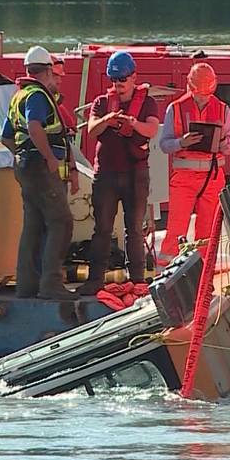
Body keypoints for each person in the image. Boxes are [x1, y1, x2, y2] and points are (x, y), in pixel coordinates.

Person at [76, 51, 160, 296]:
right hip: (107, 175)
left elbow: (152, 129)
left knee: (134, 228)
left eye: (122, 79)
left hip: (136, 173)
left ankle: (137, 280)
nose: (118, 84)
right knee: (102, 228)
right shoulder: (101, 103)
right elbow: (91, 130)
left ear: (134, 77)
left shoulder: (147, 103)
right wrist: (109, 119)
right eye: (114, 80)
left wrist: (132, 123)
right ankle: (95, 280)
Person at [3, 45, 79, 300]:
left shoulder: (18, 96)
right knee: (61, 222)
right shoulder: (37, 95)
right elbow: (35, 126)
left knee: (33, 226)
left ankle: (27, 286)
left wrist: (22, 154)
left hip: (25, 167)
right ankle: (51, 284)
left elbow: (6, 138)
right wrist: (47, 157)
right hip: (40, 168)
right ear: (46, 71)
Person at [157, 62, 230, 267]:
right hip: (184, 179)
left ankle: (202, 276)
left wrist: (220, 144)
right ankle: (166, 274)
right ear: (190, 88)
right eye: (199, 94)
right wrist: (181, 142)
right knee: (176, 229)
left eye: (207, 94)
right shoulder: (175, 109)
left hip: (212, 178)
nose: (203, 98)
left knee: (208, 232)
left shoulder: (222, 109)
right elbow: (164, 145)